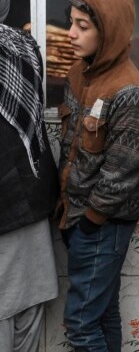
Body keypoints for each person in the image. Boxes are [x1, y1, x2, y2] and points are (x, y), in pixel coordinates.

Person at [55, 0, 139, 351]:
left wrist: (91, 220)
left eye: (83, 26)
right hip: (77, 216)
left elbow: (121, 175)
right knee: (102, 314)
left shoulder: (130, 92)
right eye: (72, 22)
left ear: (108, 31)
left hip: (102, 224)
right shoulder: (81, 73)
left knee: (80, 325)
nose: (71, 34)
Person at [0, 23, 59, 351]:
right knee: (26, 313)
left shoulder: (16, 46)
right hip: (33, 196)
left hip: (18, 207)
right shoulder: (21, 45)